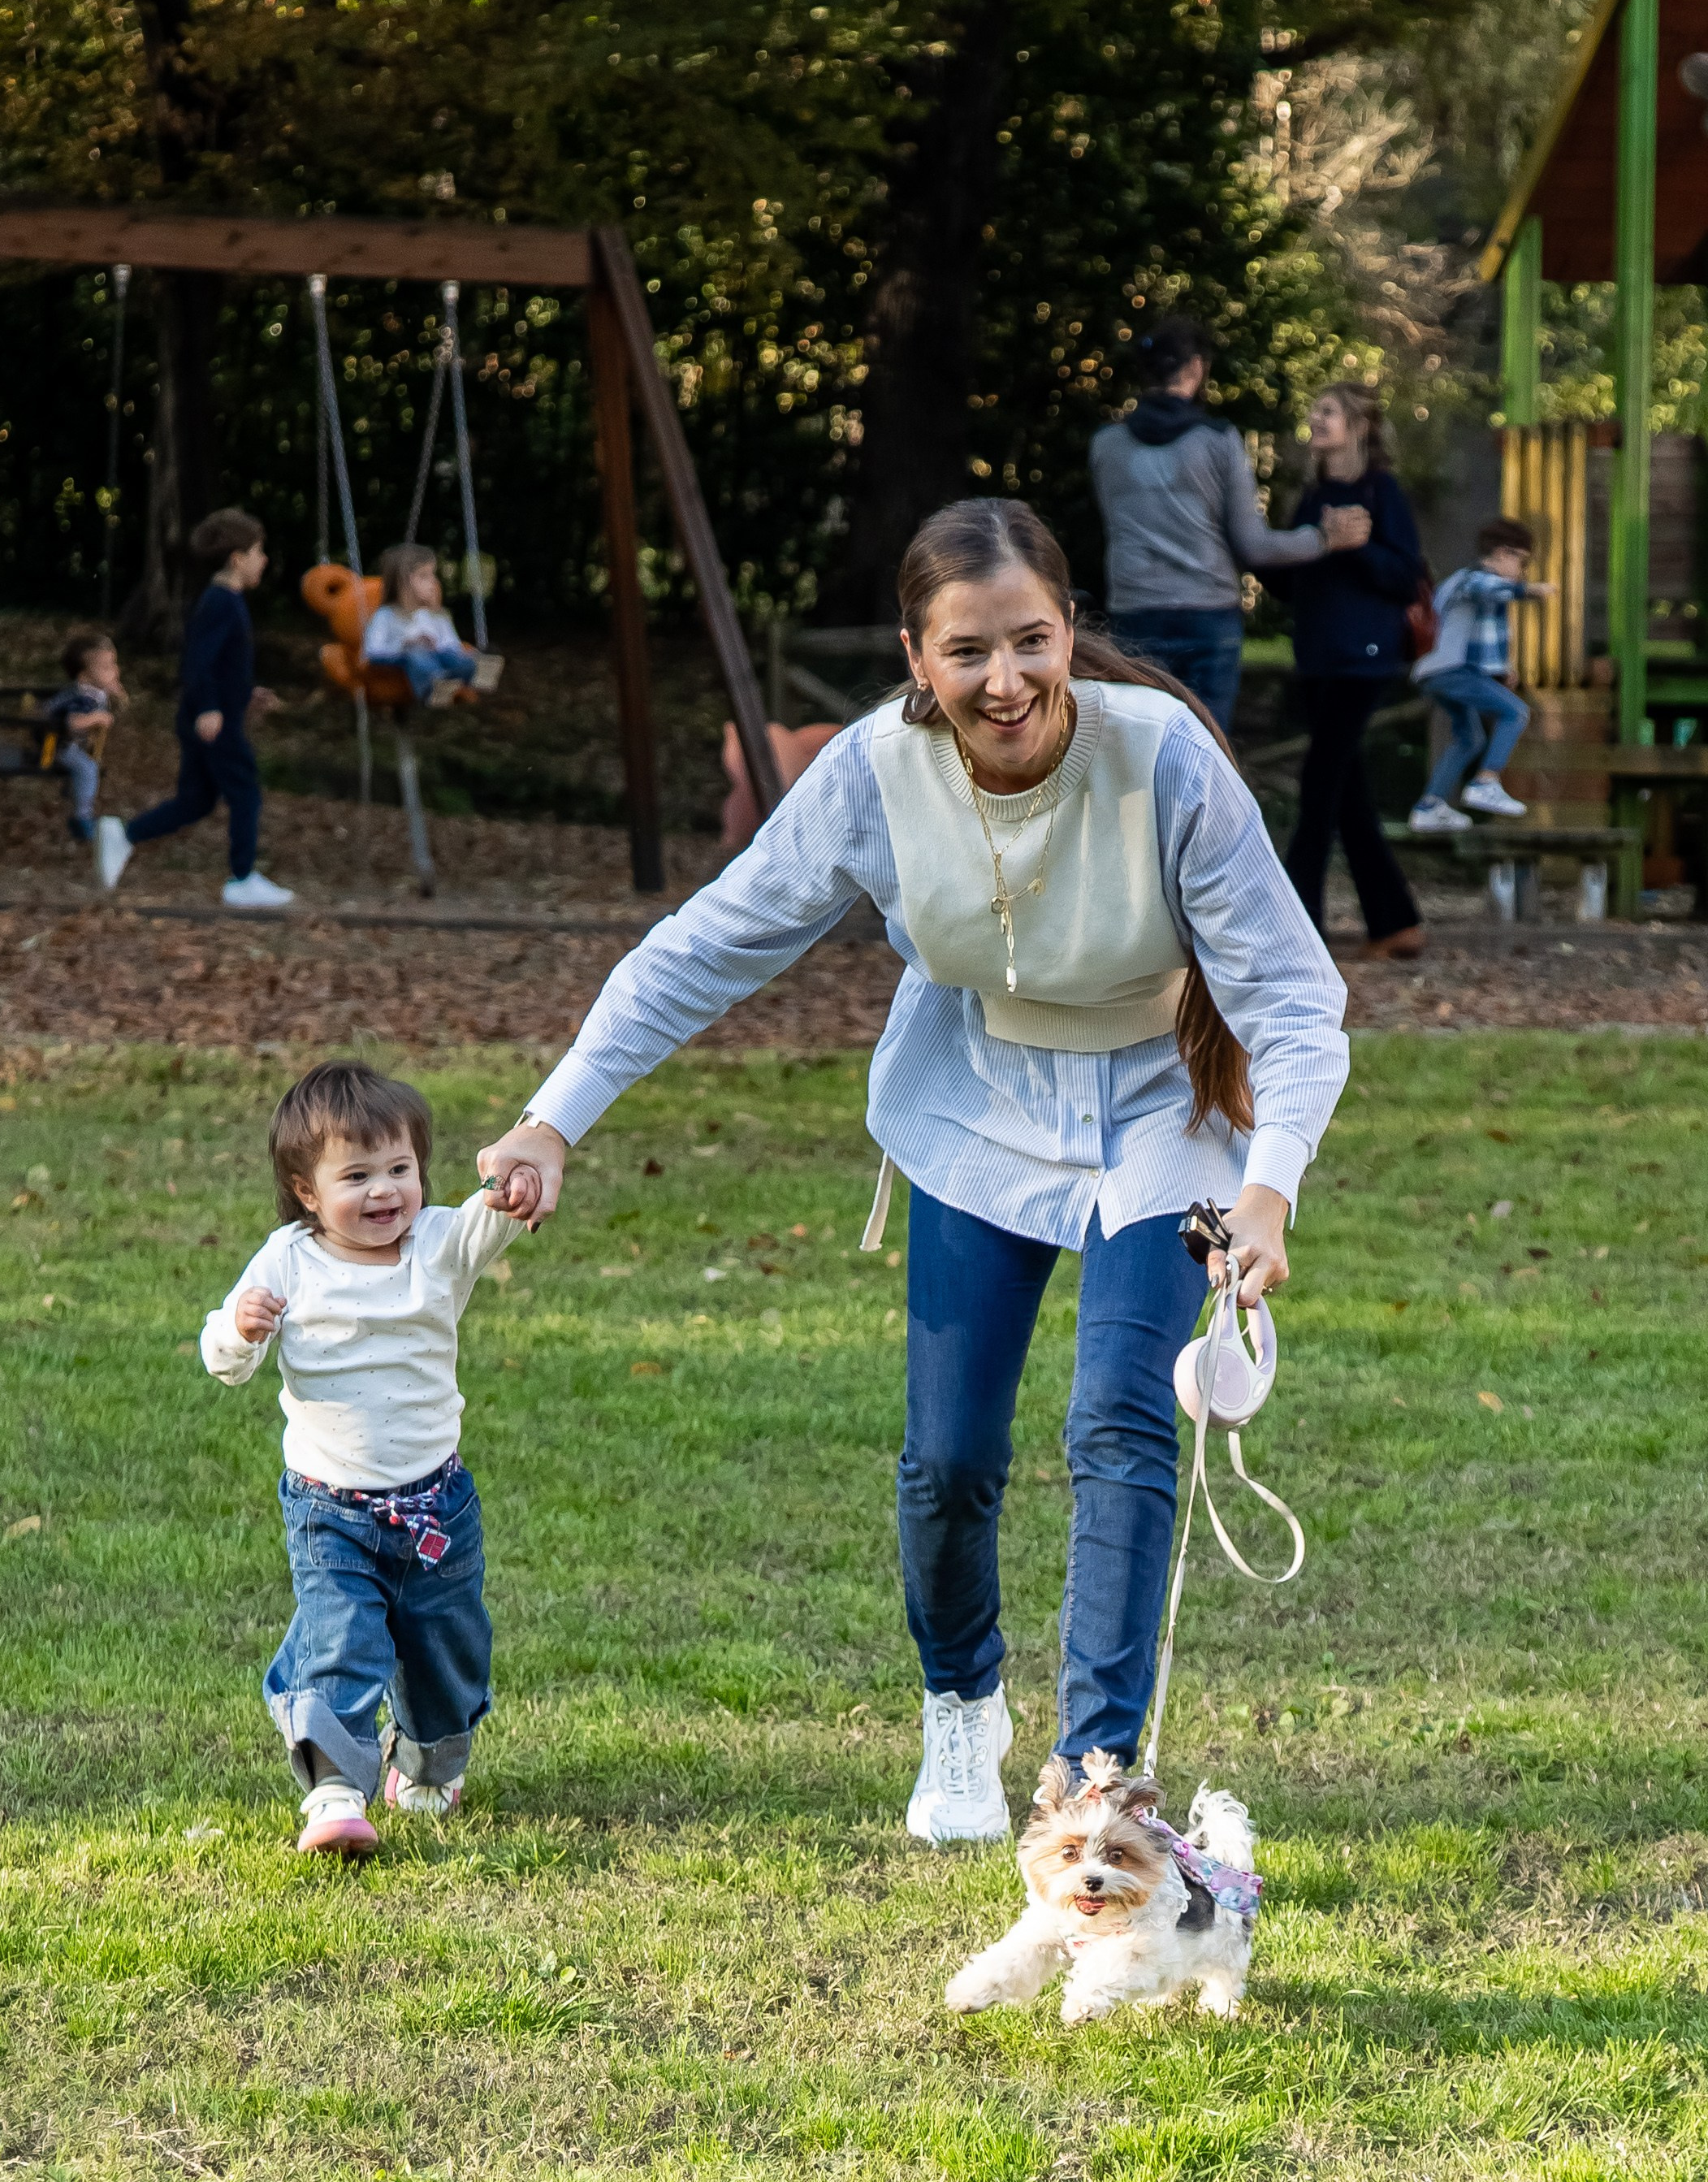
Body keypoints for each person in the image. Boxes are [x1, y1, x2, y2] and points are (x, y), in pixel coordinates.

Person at [480, 497, 1348, 1847]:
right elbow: (708, 943)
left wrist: (1267, 1189)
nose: (1004, 680)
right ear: (916, 655)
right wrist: (554, 1117)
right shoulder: (871, 773)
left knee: (1120, 1422)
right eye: (966, 652)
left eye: (1031, 642)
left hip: (1161, 1109)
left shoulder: (1162, 758)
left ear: (1070, 635)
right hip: (977, 1101)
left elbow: (1293, 1001)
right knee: (948, 1457)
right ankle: (962, 1704)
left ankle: (1097, 1772)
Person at [200, 1060, 542, 1858]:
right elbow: (222, 1359)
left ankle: (425, 1760)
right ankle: (332, 1791)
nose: (385, 1190)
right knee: (339, 1639)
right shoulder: (287, 1261)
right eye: (356, 1175)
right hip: (331, 1511)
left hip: (436, 1510)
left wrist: (517, 1187)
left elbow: (496, 1211)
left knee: (444, 1658)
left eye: (400, 1168)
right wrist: (240, 1328)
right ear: (306, 1190)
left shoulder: (438, 1246)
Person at [1087, 315, 1365, 734]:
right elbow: (1252, 546)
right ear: (1196, 368)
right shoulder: (1216, 440)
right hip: (1207, 615)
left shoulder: (1106, 444)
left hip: (1135, 612)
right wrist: (1323, 539)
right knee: (1206, 752)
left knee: (1142, 750)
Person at [1260, 383, 1426, 960]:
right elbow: (1284, 579)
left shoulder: (1381, 492)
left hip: (1365, 659)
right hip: (1317, 656)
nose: (1315, 419)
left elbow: (1406, 575)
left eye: (1327, 411)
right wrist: (1272, 552)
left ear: (1357, 425)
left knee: (1317, 789)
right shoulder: (1311, 496)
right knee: (1346, 795)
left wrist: (1354, 546)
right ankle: (1394, 921)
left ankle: (1296, 934)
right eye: (1315, 410)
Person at [92, 509, 291, 910]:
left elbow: (221, 664)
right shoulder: (221, 602)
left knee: (196, 801)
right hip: (213, 722)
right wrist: (211, 708)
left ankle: (124, 836)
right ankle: (242, 879)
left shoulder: (225, 600)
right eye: (258, 552)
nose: (264, 560)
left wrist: (245, 694)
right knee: (246, 792)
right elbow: (197, 662)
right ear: (237, 558)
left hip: (211, 716)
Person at [1407, 517, 1555, 833]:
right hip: (1450, 669)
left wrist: (1501, 673)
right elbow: (1487, 589)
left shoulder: (1471, 588)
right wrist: (1531, 591)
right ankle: (1486, 781)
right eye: (1523, 560)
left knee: (1469, 739)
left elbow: (1478, 636)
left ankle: (1429, 807)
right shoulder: (1472, 580)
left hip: (1435, 672)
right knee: (1516, 712)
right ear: (1502, 554)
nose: (1524, 570)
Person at [360, 543, 486, 703]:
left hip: (433, 657)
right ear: (402, 583)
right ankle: (432, 687)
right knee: (416, 653)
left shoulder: (432, 615)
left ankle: (472, 673)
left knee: (450, 654)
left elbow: (451, 644)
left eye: (432, 575)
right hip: (396, 656)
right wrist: (405, 644)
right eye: (424, 576)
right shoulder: (385, 616)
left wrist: (439, 643)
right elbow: (372, 650)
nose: (433, 582)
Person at [45, 629, 126, 848]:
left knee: (87, 767)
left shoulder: (91, 692)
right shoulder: (82, 698)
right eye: (106, 667)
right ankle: (82, 817)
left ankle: (74, 792)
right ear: (84, 676)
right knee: (88, 768)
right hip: (57, 745)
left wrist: (114, 695)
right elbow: (71, 722)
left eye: (114, 664)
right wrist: (96, 717)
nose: (114, 671)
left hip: (72, 744)